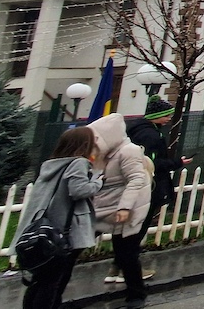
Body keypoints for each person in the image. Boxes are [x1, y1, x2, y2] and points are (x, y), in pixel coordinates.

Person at [12, 127, 104, 309]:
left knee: (40, 279)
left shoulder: (52, 164)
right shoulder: (79, 163)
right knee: (53, 282)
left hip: (45, 228)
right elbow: (79, 190)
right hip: (64, 232)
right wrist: (98, 181)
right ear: (85, 144)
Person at [102, 98, 191, 284]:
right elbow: (151, 164)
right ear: (157, 116)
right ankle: (128, 271)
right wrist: (177, 163)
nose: (169, 118)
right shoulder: (151, 136)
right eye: (167, 115)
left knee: (124, 231)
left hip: (128, 187)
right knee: (136, 231)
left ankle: (116, 268)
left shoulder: (134, 130)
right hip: (147, 187)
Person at [89, 113, 152, 309]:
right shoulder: (108, 153)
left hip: (125, 211)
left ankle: (136, 295)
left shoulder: (128, 151)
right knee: (75, 246)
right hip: (106, 208)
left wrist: (125, 207)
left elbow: (136, 179)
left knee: (127, 253)